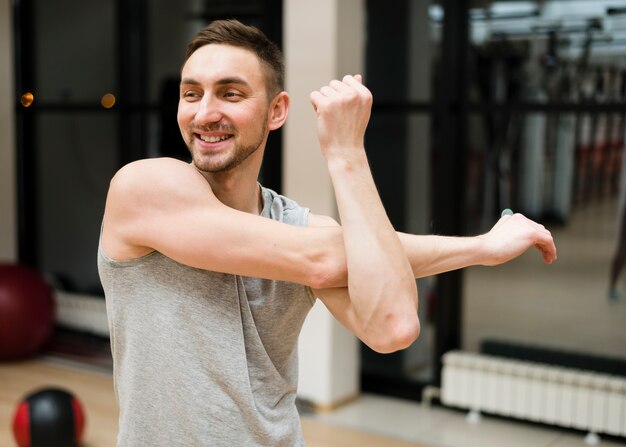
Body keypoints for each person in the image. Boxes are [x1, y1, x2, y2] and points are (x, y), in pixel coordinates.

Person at [98, 19, 557, 447]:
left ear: (277, 111)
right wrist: (478, 247)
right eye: (191, 94)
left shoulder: (304, 230)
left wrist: (346, 153)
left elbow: (393, 327)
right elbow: (332, 256)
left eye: (231, 94)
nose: (205, 113)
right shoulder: (144, 189)